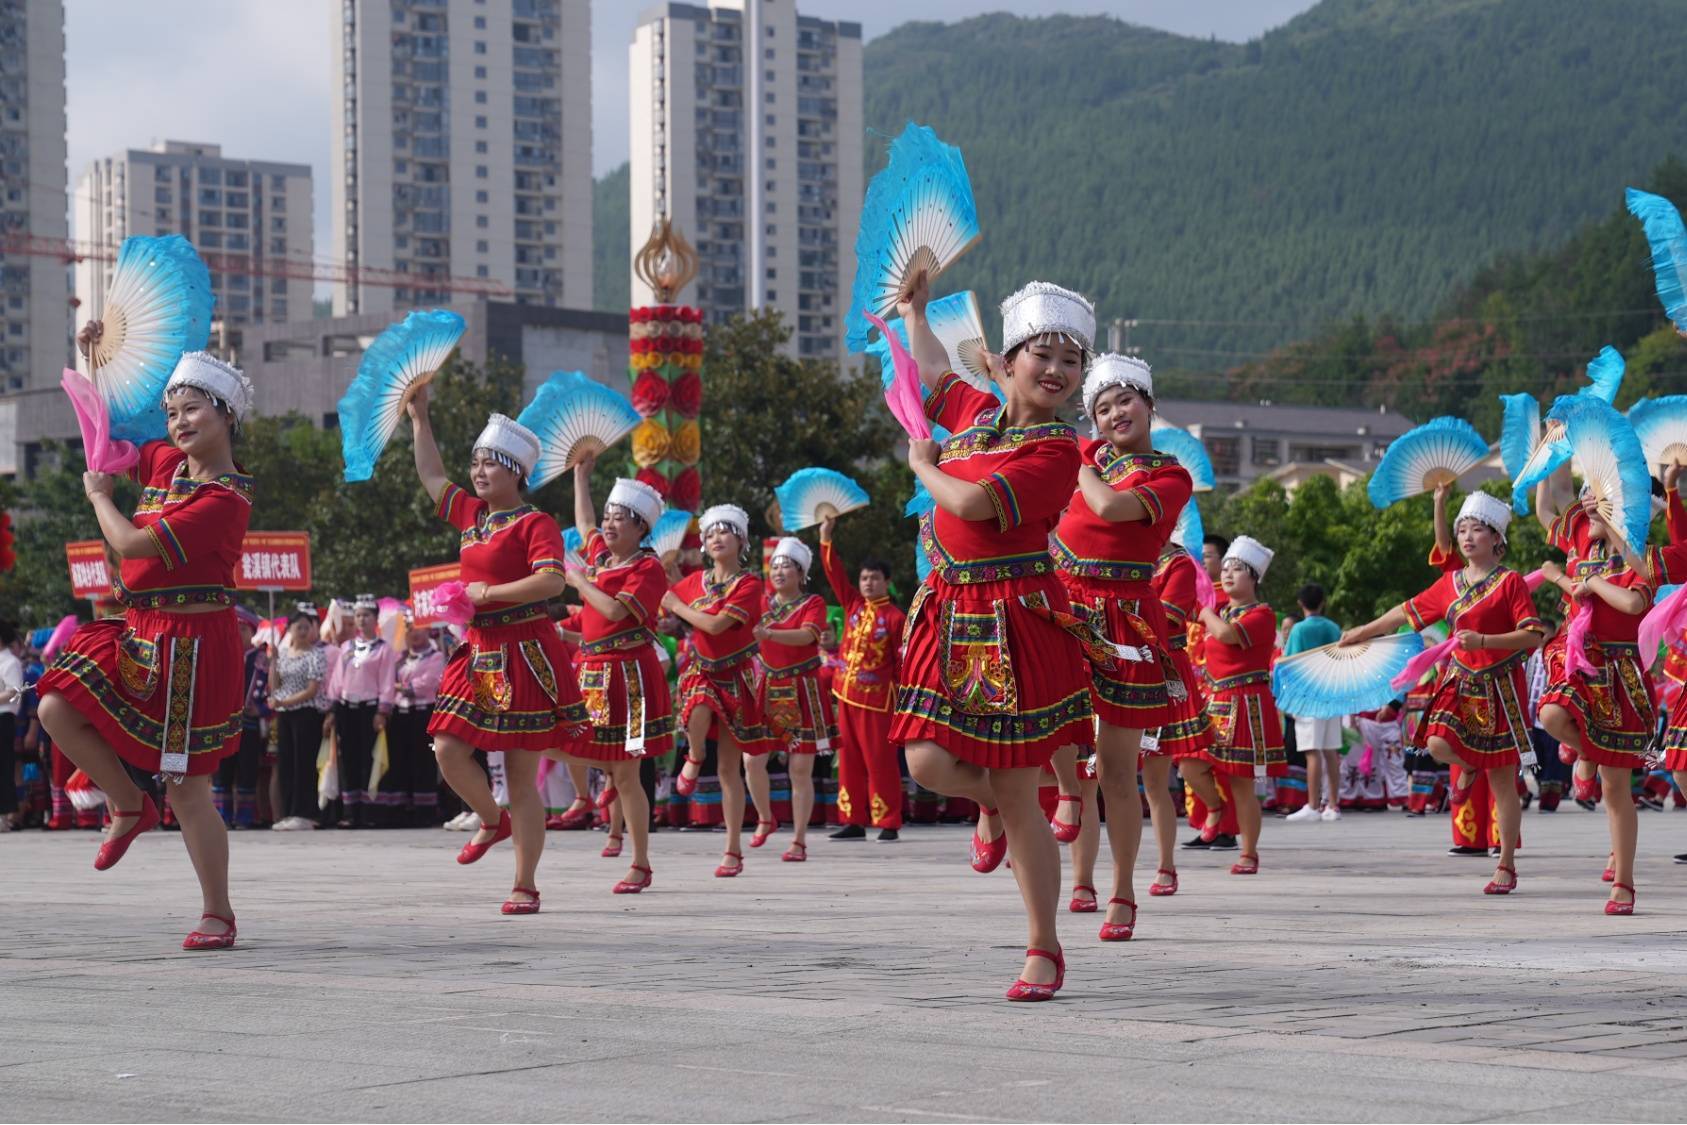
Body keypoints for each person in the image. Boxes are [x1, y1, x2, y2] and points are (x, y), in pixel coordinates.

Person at [893, 273, 1098, 1001]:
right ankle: (1002, 799)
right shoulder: (975, 416)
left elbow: (977, 505)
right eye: (1042, 354)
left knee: (1018, 795)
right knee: (922, 761)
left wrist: (924, 466)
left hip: (1015, 620)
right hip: (948, 613)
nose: (1055, 370)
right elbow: (931, 373)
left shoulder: (1059, 450)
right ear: (1006, 360)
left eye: (1070, 362)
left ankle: (1042, 945)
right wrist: (918, 311)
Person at [36, 347, 256, 950]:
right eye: (174, 413)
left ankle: (218, 912)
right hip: (139, 633)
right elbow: (118, 425)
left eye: (193, 411)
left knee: (187, 788)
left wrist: (99, 497)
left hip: (193, 649)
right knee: (54, 707)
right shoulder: (166, 465)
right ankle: (129, 804)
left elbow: (133, 544)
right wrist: (94, 354)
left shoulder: (224, 500)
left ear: (227, 415)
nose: (179, 424)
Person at [407, 384, 590, 915]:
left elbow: (553, 582)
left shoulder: (536, 524)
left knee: (520, 775)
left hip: (526, 651)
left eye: (491, 464)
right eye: (476, 463)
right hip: (479, 648)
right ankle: (491, 818)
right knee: (445, 746)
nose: (479, 471)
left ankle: (525, 882)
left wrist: (487, 593)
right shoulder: (471, 515)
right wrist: (420, 418)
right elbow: (431, 476)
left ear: (517, 471)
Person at [1049, 352, 1190, 940]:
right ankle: (1058, 801)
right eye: (1101, 408)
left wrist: (1071, 456)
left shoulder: (1170, 475)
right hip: (1064, 605)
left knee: (1115, 772)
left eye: (1125, 400)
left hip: (1125, 620)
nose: (1114, 413)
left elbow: (1109, 507)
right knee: (1041, 729)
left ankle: (1124, 890)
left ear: (1150, 405)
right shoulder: (1084, 459)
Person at [1341, 492, 1543, 894]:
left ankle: (1505, 863)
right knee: (1435, 743)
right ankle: (1467, 764)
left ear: (1496, 538)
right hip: (1462, 680)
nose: (1468, 537)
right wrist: (1362, 632)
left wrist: (1484, 638)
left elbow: (1533, 635)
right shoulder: (1449, 583)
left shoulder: (1510, 582)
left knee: (1503, 779)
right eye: (1462, 529)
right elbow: (1405, 612)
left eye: (1478, 529)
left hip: (1501, 684)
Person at [1535, 465, 1653, 914]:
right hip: (1580, 659)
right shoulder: (1578, 533)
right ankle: (1583, 751)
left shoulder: (1639, 553)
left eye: (1598, 495)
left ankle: (1623, 882)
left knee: (1615, 790)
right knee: (1550, 714)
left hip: (1620, 675)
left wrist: (1589, 582)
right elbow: (1547, 505)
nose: (1586, 500)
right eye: (1586, 493)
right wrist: (1552, 457)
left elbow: (1634, 602)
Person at [561, 467, 673, 894]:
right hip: (590, 673)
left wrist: (578, 582)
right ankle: (588, 791)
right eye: (608, 517)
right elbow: (585, 522)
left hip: (631, 681)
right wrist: (579, 474)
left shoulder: (648, 569)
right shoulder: (601, 559)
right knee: (562, 739)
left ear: (640, 527)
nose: (606, 525)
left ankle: (640, 862)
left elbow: (612, 613)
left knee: (629, 775)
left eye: (618, 518)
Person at [663, 503, 773, 877]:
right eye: (709, 534)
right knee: (697, 703)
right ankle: (693, 756)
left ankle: (732, 849)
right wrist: (665, 605)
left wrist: (677, 605)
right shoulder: (693, 582)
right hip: (701, 669)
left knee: (729, 769)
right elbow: (664, 612)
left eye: (723, 531)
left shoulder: (749, 583)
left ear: (740, 539)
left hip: (737, 676)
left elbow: (715, 626)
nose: (715, 538)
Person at [1178, 536, 1284, 875]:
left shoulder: (1262, 615)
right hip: (1215, 700)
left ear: (1254, 577)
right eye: (1224, 568)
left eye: (1237, 569)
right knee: (1188, 764)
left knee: (1242, 784)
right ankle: (1214, 807)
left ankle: (1249, 853)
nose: (1228, 574)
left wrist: (1205, 609)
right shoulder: (1219, 611)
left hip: (1246, 703)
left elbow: (1225, 635)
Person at [817, 516, 906, 842]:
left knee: (880, 762)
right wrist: (826, 538)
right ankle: (852, 820)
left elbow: (902, 663)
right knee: (849, 762)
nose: (868, 583)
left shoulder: (896, 618)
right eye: (864, 578)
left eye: (875, 578)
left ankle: (889, 822)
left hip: (878, 700)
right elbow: (833, 573)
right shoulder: (853, 604)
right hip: (846, 694)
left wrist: (902, 702)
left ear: (886, 582)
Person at [755, 536, 836, 862]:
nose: (779, 571)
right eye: (774, 566)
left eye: (786, 566)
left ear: (800, 573)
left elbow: (808, 635)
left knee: (800, 770)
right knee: (751, 759)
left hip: (803, 686)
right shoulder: (761, 602)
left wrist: (769, 633)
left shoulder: (812, 603)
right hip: (769, 686)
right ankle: (765, 816)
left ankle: (799, 840)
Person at [1183, 533, 1240, 851]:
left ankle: (1226, 827)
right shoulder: (1192, 593)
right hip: (1193, 688)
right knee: (1189, 758)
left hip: (1217, 687)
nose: (1202, 560)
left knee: (1218, 761)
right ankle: (1209, 820)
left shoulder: (1227, 599)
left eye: (1207, 556)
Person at [327, 594, 397, 827]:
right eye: (358, 616)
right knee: (348, 759)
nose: (361, 620)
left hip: (370, 709)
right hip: (347, 708)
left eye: (366, 615)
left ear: (375, 619)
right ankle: (350, 812)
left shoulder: (384, 649)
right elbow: (337, 680)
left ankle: (371, 813)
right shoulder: (347, 647)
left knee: (370, 758)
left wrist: (382, 711)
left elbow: (387, 680)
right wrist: (332, 709)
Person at [1283, 583, 1346, 823]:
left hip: (1309, 697)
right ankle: (1333, 805)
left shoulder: (1298, 630)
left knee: (1312, 752)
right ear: (1323, 602)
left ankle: (1312, 804)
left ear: (1300, 603)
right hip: (1331, 694)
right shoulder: (1333, 627)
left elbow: (1291, 663)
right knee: (1330, 750)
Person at [269, 606, 328, 830]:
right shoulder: (283, 655)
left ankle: (306, 812)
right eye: (299, 627)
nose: (303, 631)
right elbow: (274, 686)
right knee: (286, 763)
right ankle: (288, 812)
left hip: (306, 712)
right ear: (289, 629)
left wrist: (285, 702)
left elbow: (312, 689)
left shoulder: (316, 654)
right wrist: (272, 662)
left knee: (304, 763)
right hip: (284, 714)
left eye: (307, 627)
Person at [212, 607, 266, 828]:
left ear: (252, 631)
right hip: (224, 724)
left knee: (247, 770)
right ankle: (220, 817)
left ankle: (245, 817)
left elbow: (272, 688)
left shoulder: (262, 658)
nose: (238, 632)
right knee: (222, 771)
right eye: (234, 628)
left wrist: (261, 708)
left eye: (243, 628)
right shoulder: (220, 655)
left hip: (249, 724)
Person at [388, 614, 445, 826]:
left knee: (424, 761)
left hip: (424, 712)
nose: (415, 633)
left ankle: (426, 810)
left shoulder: (436, 656)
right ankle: (404, 808)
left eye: (419, 628)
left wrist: (403, 688)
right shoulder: (400, 658)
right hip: (401, 713)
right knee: (401, 760)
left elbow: (429, 683)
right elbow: (389, 680)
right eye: (411, 629)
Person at [0, 622, 22, 832]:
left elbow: (15, 691)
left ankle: (5, 816)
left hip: (4, 718)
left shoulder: (10, 662)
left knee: (4, 767)